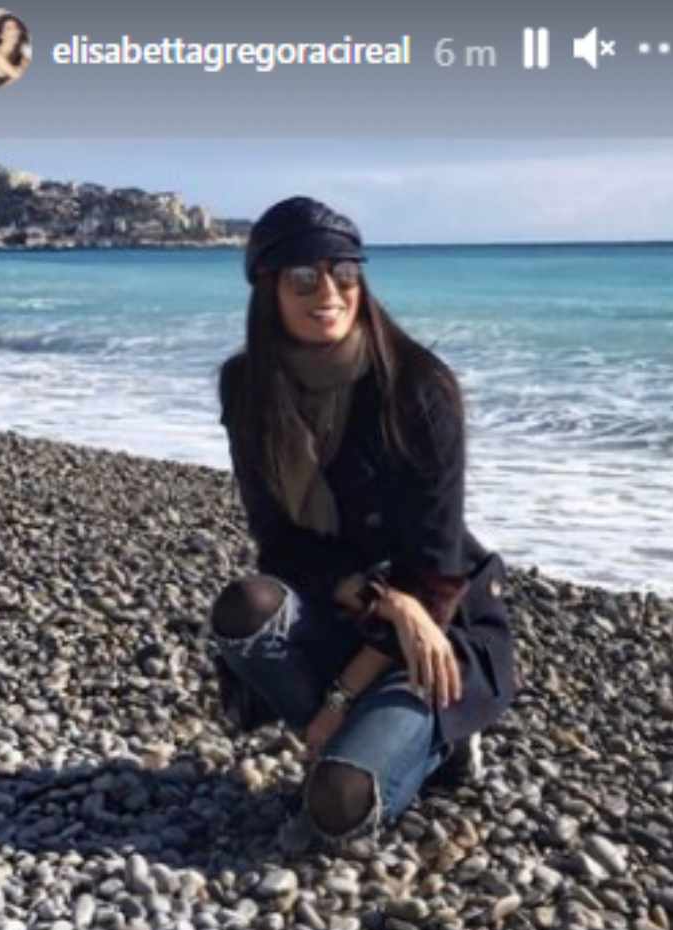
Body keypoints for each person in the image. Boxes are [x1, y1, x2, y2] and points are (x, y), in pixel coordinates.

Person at [211, 196, 514, 852]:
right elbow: (279, 543)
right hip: (344, 602)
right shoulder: (248, 387)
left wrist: (342, 695)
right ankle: (365, 736)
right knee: (244, 608)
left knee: (336, 811)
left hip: (438, 621)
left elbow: (437, 562)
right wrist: (379, 600)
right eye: (303, 278)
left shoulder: (419, 386)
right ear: (268, 289)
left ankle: (443, 743)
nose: (329, 293)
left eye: (345, 273)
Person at [0, 13, 30, 87]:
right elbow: (17, 75)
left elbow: (26, 65)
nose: (14, 30)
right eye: (9, 28)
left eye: (16, 27)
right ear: (1, 35)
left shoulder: (19, 54)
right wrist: (22, 67)